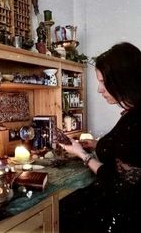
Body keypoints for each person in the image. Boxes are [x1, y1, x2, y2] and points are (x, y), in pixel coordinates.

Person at [59, 42, 141, 233]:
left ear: (122, 80)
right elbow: (127, 149)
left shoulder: (135, 121)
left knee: (63, 211)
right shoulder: (132, 113)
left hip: (122, 216)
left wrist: (83, 155)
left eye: (103, 82)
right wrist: (97, 144)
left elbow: (121, 183)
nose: (99, 90)